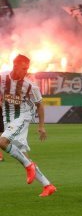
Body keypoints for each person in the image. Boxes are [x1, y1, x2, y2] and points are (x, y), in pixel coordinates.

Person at [0, 55, 57, 196]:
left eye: (27, 68)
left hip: (23, 116)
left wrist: (41, 126)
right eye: (24, 68)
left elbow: (40, 105)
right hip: (8, 118)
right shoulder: (2, 78)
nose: (26, 71)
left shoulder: (30, 85)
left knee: (2, 142)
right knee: (22, 155)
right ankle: (47, 185)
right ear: (15, 65)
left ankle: (29, 166)